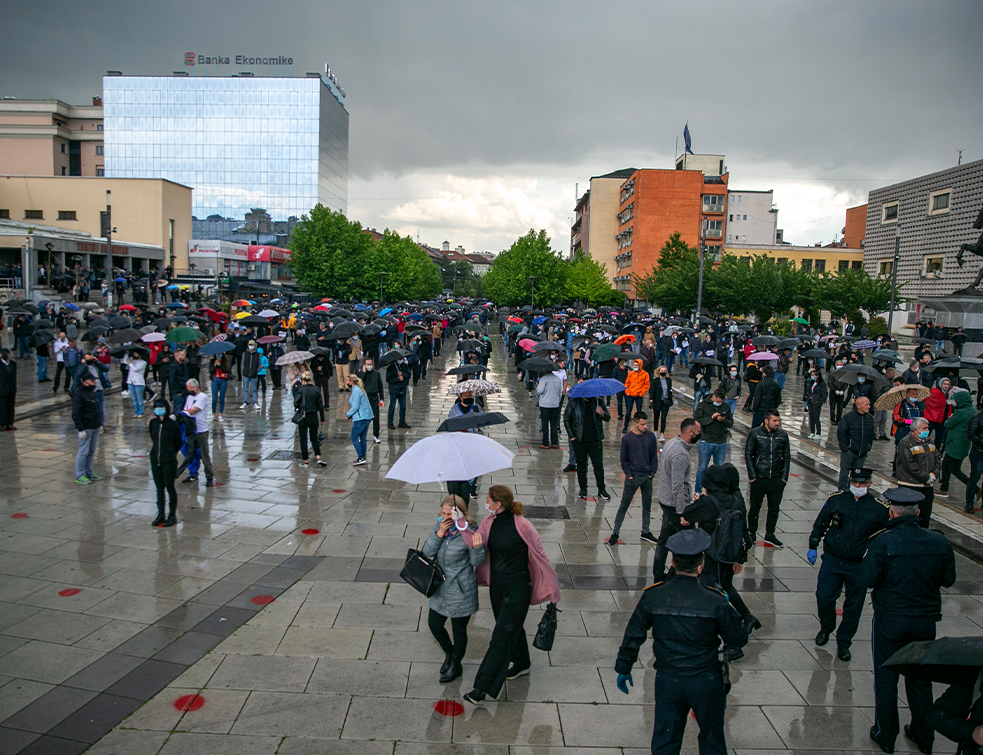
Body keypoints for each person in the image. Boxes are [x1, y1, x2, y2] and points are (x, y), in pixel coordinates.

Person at [614, 529, 748, 755]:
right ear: (701, 565)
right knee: (712, 739)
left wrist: (624, 666)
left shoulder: (654, 595)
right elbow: (738, 638)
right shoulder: (714, 600)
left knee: (666, 739)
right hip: (707, 679)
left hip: (669, 679)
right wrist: (727, 606)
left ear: (673, 561)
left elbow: (634, 633)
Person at [863, 487, 957, 755]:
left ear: (891, 513)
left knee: (886, 678)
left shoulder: (883, 541)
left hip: (890, 621)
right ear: (918, 512)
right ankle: (923, 734)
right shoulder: (939, 542)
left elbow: (868, 578)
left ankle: (886, 734)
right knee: (919, 680)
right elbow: (948, 579)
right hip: (924, 622)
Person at [464, 485, 560, 706]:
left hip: (518, 588)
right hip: (497, 587)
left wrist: (552, 589)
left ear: (498, 504)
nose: (486, 503)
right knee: (509, 627)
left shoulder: (523, 525)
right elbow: (474, 542)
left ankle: (481, 688)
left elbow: (541, 555)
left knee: (501, 636)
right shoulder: (489, 523)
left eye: (488, 500)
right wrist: (462, 525)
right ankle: (522, 663)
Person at [807, 467, 889, 662]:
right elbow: (821, 523)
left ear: (869, 483)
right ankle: (827, 627)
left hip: (858, 564)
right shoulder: (836, 500)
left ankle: (844, 642)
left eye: (861, 483)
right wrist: (813, 544)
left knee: (853, 605)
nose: (857, 486)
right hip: (833, 559)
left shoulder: (879, 508)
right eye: (854, 483)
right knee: (824, 596)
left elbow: (886, 535)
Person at [681, 463, 759, 658]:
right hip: (727, 557)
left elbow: (686, 518)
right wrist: (740, 558)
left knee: (712, 601)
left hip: (710, 558)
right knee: (721, 593)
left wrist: (701, 501)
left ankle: (731, 642)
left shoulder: (708, 502)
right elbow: (742, 530)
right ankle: (741, 625)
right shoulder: (734, 499)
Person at [422, 494, 485, 684]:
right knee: (434, 624)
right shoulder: (440, 526)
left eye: (450, 514)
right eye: (443, 513)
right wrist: (439, 533)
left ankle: (456, 664)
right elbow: (426, 553)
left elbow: (477, 562)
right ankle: (450, 654)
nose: (446, 517)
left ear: (461, 514)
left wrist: (476, 547)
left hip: (460, 589)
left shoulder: (470, 530)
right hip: (441, 587)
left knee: (459, 631)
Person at [653, 417, 701, 578]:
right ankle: (676, 575)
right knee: (691, 541)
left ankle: (659, 576)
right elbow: (678, 485)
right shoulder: (680, 453)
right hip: (675, 505)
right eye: (698, 432)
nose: (700, 435)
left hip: (666, 500)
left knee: (664, 540)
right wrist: (683, 513)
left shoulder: (671, 443)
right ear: (690, 432)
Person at [608, 410, 658, 546]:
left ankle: (646, 531)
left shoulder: (650, 437)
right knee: (624, 505)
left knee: (646, 506)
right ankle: (615, 532)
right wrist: (629, 475)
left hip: (647, 476)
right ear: (634, 424)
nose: (645, 427)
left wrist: (652, 473)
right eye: (642, 424)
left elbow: (654, 456)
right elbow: (623, 459)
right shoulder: (627, 439)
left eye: (646, 424)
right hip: (633, 476)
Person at [744, 409, 791, 547]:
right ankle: (751, 533)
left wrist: (784, 478)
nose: (777, 423)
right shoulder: (755, 434)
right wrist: (753, 476)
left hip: (776, 479)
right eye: (774, 421)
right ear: (766, 421)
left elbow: (787, 457)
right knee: (754, 508)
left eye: (778, 420)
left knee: (774, 508)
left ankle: (770, 534)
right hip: (759, 478)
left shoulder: (782, 435)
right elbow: (748, 454)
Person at [563, 393, 611, 501]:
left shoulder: (598, 402)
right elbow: (566, 419)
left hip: (595, 440)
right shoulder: (574, 402)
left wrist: (602, 413)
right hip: (580, 440)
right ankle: (583, 488)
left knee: (598, 465)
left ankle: (602, 489)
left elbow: (608, 418)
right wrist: (572, 437)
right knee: (581, 466)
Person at [895, 417, 939, 528]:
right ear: (915, 430)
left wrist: (934, 475)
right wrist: (926, 477)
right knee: (909, 515)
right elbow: (911, 466)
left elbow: (938, 459)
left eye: (927, 428)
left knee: (925, 515)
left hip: (927, 486)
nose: (927, 430)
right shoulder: (905, 443)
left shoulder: (929, 442)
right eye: (924, 428)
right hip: (911, 485)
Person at [693, 389, 734, 495]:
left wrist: (723, 420)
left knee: (720, 467)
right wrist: (711, 418)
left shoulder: (726, 407)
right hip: (706, 440)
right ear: (713, 397)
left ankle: (717, 491)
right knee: (702, 467)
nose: (719, 404)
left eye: (721, 402)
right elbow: (697, 421)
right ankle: (698, 490)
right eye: (718, 401)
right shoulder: (703, 405)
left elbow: (730, 423)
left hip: (721, 441)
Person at [148, 398, 181, 527]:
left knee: (169, 487)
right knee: (159, 488)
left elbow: (178, 441)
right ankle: (161, 513)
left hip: (168, 460)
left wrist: (171, 452)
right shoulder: (153, 423)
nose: (158, 409)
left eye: (161, 407)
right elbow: (153, 438)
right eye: (156, 407)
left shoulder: (172, 424)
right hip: (156, 459)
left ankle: (172, 514)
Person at [178, 379, 216, 487]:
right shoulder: (189, 397)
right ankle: (193, 474)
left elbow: (193, 411)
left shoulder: (202, 397)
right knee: (190, 454)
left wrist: (180, 415)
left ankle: (209, 476)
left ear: (196, 387)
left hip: (201, 430)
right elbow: (186, 409)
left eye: (190, 389)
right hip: (190, 430)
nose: (189, 391)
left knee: (204, 455)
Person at [938, 389, 973, 501]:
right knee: (946, 465)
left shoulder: (960, 412)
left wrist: (951, 417)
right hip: (962, 444)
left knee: (954, 469)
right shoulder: (972, 411)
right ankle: (944, 488)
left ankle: (975, 489)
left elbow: (948, 423)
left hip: (955, 445)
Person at [836, 396, 875, 491]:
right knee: (844, 475)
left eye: (869, 404)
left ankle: (853, 493)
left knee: (857, 475)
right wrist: (845, 447)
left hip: (861, 453)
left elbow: (871, 435)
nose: (869, 406)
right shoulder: (849, 417)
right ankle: (842, 493)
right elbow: (841, 432)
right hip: (849, 451)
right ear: (859, 405)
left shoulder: (870, 418)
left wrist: (868, 447)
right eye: (866, 404)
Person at [72, 373, 102, 484]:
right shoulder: (79, 394)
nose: (95, 383)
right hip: (86, 427)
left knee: (92, 451)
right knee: (83, 451)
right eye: (92, 381)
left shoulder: (92, 393)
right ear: (85, 382)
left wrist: (99, 424)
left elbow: (96, 411)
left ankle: (89, 472)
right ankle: (80, 475)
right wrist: (80, 429)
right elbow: (76, 413)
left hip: (94, 426)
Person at [294, 373, 326, 466]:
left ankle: (305, 460)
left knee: (303, 439)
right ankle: (318, 456)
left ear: (303, 381)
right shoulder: (316, 390)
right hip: (313, 416)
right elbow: (320, 405)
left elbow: (296, 403)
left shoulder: (301, 390)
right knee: (314, 437)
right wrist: (322, 418)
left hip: (303, 416)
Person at [345, 372, 374, 466]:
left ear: (351, 382)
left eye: (347, 380)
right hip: (367, 417)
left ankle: (361, 457)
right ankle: (363, 457)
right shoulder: (360, 389)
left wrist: (347, 414)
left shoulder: (356, 391)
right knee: (362, 438)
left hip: (360, 418)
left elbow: (355, 406)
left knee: (354, 437)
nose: (346, 382)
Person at [535, 358, 564, 449]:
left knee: (545, 425)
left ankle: (545, 443)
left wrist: (537, 385)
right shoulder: (557, 379)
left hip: (545, 405)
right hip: (555, 404)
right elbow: (560, 392)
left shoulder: (544, 379)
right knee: (554, 425)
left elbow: (540, 390)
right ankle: (554, 442)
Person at [357, 356, 384, 444]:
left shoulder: (376, 374)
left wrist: (382, 398)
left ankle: (376, 435)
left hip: (374, 398)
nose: (369, 366)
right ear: (364, 365)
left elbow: (380, 386)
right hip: (365, 399)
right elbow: (359, 383)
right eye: (367, 364)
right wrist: (363, 372)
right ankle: (362, 436)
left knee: (376, 418)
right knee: (364, 419)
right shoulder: (360, 374)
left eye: (370, 364)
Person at [622, 358, 649, 432]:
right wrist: (627, 391)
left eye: (636, 365)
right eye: (634, 365)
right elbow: (626, 383)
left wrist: (641, 393)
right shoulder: (630, 374)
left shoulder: (645, 374)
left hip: (639, 395)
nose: (635, 366)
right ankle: (625, 426)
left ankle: (639, 426)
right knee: (628, 412)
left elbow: (646, 385)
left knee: (639, 411)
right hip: (630, 394)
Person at [649, 365, 673, 442]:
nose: (663, 372)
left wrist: (670, 399)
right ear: (658, 372)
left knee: (663, 417)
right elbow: (652, 391)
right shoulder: (655, 381)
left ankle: (662, 433)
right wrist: (651, 400)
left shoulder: (669, 380)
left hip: (665, 401)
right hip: (657, 401)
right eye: (661, 371)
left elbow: (670, 390)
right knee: (656, 416)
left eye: (664, 371)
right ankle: (655, 431)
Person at [386, 357, 411, 429]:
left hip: (402, 389)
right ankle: (390, 422)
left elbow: (408, 375)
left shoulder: (405, 366)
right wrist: (397, 378)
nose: (401, 360)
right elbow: (388, 379)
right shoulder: (391, 368)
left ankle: (402, 422)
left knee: (403, 407)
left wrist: (402, 374)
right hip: (394, 390)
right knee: (392, 406)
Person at [804, 368, 829, 439]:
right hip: (811, 402)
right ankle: (812, 432)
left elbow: (824, 394)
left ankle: (818, 433)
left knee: (816, 418)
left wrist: (820, 402)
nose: (812, 376)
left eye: (813, 375)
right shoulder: (811, 383)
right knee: (811, 418)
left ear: (817, 376)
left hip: (817, 402)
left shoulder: (822, 384)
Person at [123, 351, 148, 418]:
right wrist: (127, 354)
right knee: (134, 399)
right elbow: (125, 361)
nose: (135, 354)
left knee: (140, 399)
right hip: (131, 381)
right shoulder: (133, 361)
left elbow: (136, 369)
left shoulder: (143, 362)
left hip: (139, 382)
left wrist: (130, 363)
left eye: (136, 353)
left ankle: (141, 412)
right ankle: (136, 412)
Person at [240, 340, 261, 409]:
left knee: (254, 389)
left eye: (252, 345)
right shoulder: (245, 353)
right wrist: (243, 371)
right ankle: (245, 402)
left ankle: (255, 402)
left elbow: (259, 364)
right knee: (245, 389)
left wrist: (256, 371)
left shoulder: (257, 355)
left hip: (254, 375)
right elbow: (242, 363)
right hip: (246, 374)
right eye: (249, 344)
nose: (250, 346)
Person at [208, 354, 230, 421]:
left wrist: (220, 365)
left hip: (223, 380)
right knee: (214, 398)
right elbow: (210, 371)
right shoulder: (212, 361)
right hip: (215, 380)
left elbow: (227, 370)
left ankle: (220, 414)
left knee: (222, 397)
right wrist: (215, 366)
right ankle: (213, 413)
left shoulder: (225, 361)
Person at [0, 348, 16, 431]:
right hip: (2, 389)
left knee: (11, 407)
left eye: (6, 354)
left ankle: (10, 423)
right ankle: (2, 423)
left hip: (11, 389)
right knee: (2, 408)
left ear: (9, 355)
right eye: (3, 354)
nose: (5, 355)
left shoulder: (13, 364)